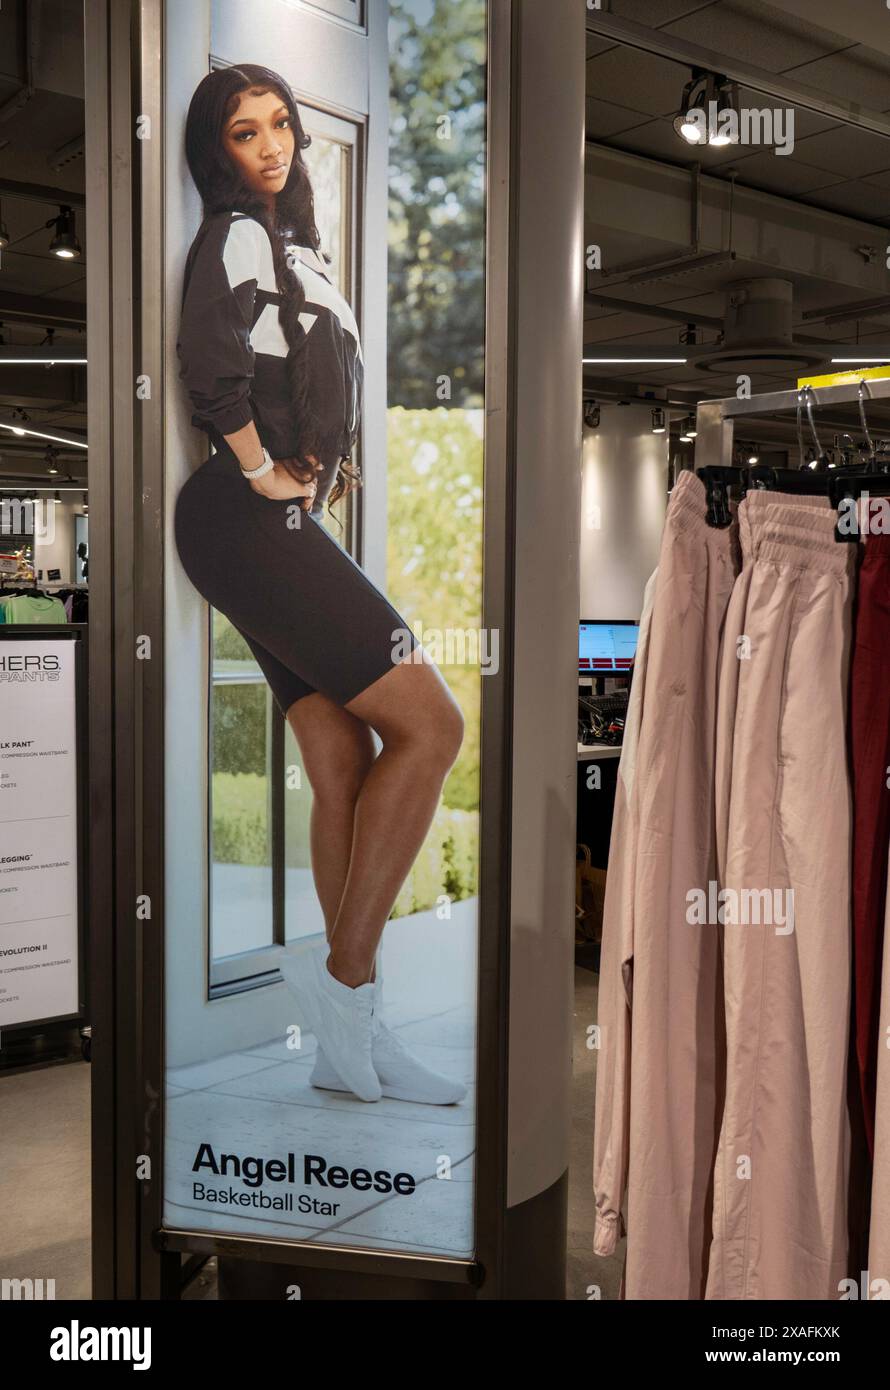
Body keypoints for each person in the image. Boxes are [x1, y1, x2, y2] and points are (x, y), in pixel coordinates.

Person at [175, 64, 466, 1105]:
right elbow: (209, 364)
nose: (271, 144)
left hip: (271, 524)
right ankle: (346, 988)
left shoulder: (301, 251)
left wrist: (306, 485)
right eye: (245, 131)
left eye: (282, 124)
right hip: (241, 517)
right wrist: (262, 469)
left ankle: (354, 1040)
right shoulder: (236, 235)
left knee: (340, 752)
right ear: (217, 151)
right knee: (434, 727)